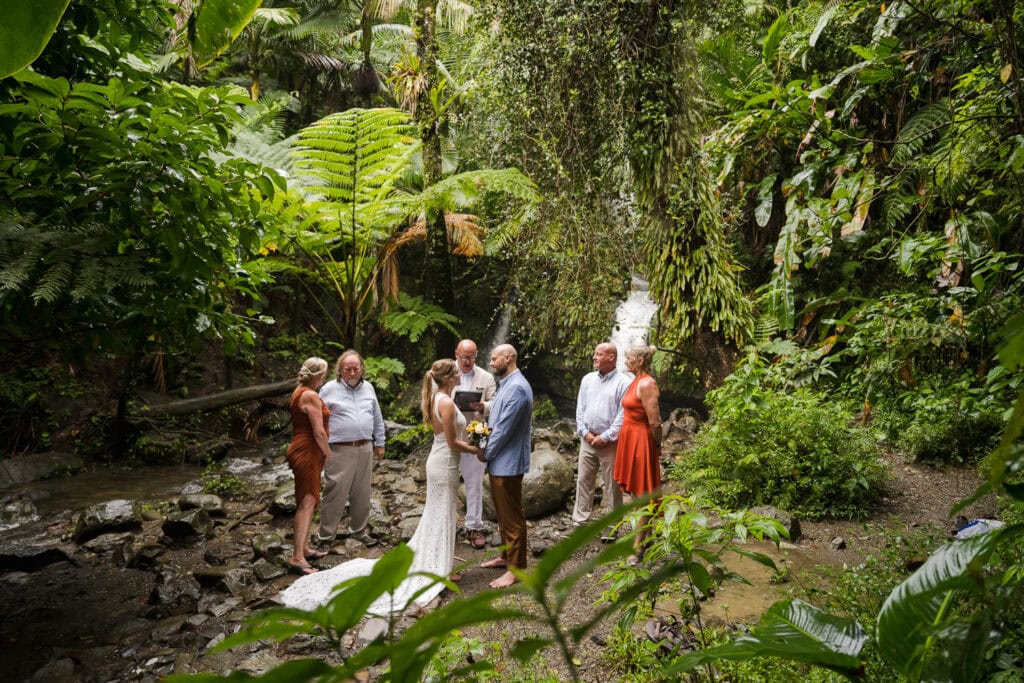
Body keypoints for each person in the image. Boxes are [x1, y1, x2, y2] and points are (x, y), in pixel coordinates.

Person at [281, 359, 483, 613]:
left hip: (443, 461)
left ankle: (439, 566)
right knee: (441, 513)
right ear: (451, 377)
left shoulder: (440, 398)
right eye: (456, 373)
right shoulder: (443, 401)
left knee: (440, 513)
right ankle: (438, 569)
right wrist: (477, 449)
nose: (459, 376)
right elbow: (453, 442)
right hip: (445, 462)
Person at [315, 350, 386, 551]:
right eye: (348, 369)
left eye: (356, 368)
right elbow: (317, 419)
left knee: (362, 493)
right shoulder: (329, 389)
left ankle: (359, 531)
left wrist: (380, 443)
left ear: (362, 368)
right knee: (334, 492)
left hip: (365, 447)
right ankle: (326, 536)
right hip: (339, 449)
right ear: (340, 370)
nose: (352, 372)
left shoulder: (369, 388)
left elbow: (377, 417)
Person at [477, 344, 533, 588]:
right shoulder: (507, 384)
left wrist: (485, 452)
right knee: (503, 514)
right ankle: (505, 556)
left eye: (494, 358)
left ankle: (516, 569)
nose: (491, 362)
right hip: (501, 460)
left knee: (511, 517)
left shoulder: (518, 388)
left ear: (508, 358)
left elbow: (503, 429)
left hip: (508, 462)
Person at [572, 343, 630, 540]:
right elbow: (580, 408)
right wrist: (585, 432)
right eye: (595, 353)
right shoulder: (587, 379)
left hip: (610, 443)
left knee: (612, 486)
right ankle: (580, 522)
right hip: (587, 439)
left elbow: (623, 416)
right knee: (583, 480)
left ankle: (612, 527)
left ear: (611, 358)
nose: (594, 357)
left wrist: (605, 437)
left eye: (599, 354)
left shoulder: (624, 382)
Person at [612, 345, 662, 565]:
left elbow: (655, 421)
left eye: (629, 358)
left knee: (643, 497)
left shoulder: (647, 383)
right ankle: (647, 536)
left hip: (641, 441)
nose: (626, 362)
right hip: (630, 439)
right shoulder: (635, 380)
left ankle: (638, 548)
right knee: (636, 494)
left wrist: (656, 446)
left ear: (641, 361)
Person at [285, 357, 332, 575]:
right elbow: (319, 431)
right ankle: (297, 557)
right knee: (307, 500)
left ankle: (303, 547)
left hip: (302, 447)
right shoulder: (311, 395)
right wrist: (327, 452)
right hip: (308, 450)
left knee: (310, 497)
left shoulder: (298, 391)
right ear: (320, 375)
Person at [453, 339, 497, 549]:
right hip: (452, 431)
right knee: (447, 480)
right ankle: (447, 525)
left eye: (471, 357)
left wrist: (482, 406)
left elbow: (495, 403)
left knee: (475, 482)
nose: (468, 361)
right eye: (464, 357)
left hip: (478, 431)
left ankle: (474, 526)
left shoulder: (486, 376)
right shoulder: (446, 372)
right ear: (456, 354)